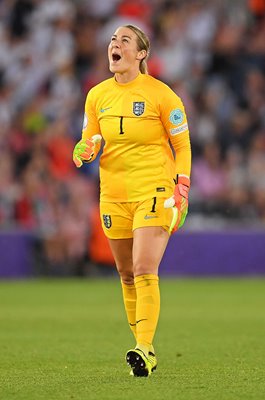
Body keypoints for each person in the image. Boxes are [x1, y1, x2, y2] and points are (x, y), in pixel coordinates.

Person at [73, 24, 191, 377]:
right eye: (112, 39)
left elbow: (182, 146)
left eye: (124, 40)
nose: (115, 44)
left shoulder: (162, 95)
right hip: (113, 194)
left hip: (153, 190)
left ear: (141, 54)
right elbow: (90, 138)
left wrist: (181, 186)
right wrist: (87, 148)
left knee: (143, 268)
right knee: (126, 274)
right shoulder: (96, 95)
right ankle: (144, 346)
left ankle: (145, 348)